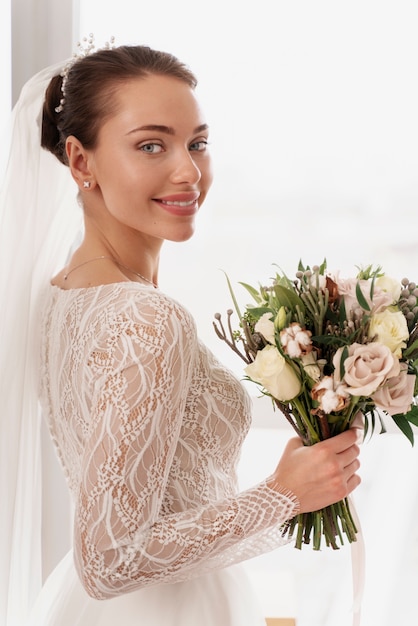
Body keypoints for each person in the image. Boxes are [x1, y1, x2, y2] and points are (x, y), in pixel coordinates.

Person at [0, 39, 361, 626]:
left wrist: (294, 498)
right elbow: (110, 560)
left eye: (197, 144)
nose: (187, 171)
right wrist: (283, 495)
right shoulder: (146, 319)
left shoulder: (63, 291)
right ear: (80, 160)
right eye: (151, 145)